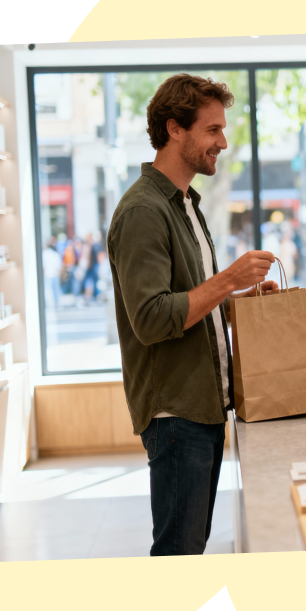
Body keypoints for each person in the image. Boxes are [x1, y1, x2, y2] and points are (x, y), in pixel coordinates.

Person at [107, 73, 279, 557]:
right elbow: (152, 317)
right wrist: (228, 280)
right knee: (179, 553)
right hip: (175, 412)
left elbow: (189, 298)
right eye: (212, 130)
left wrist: (235, 302)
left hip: (201, 405)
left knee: (192, 545)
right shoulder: (143, 211)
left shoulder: (186, 205)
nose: (223, 142)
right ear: (174, 129)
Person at [42, 239, 62, 310]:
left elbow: (44, 266)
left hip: (47, 274)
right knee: (55, 289)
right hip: (55, 274)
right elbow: (59, 266)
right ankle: (57, 303)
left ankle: (50, 304)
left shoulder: (44, 253)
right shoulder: (55, 254)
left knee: (48, 290)